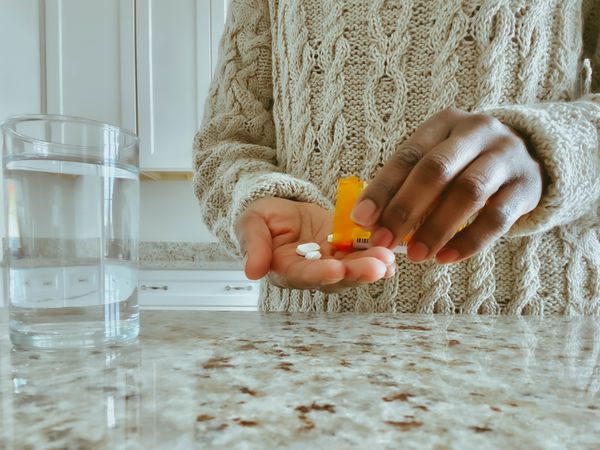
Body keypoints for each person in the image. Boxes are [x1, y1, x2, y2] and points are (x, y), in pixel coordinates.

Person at [193, 0, 600, 314]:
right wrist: (260, 194)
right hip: (312, 340)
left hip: (536, 332)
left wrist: (549, 150)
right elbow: (228, 137)